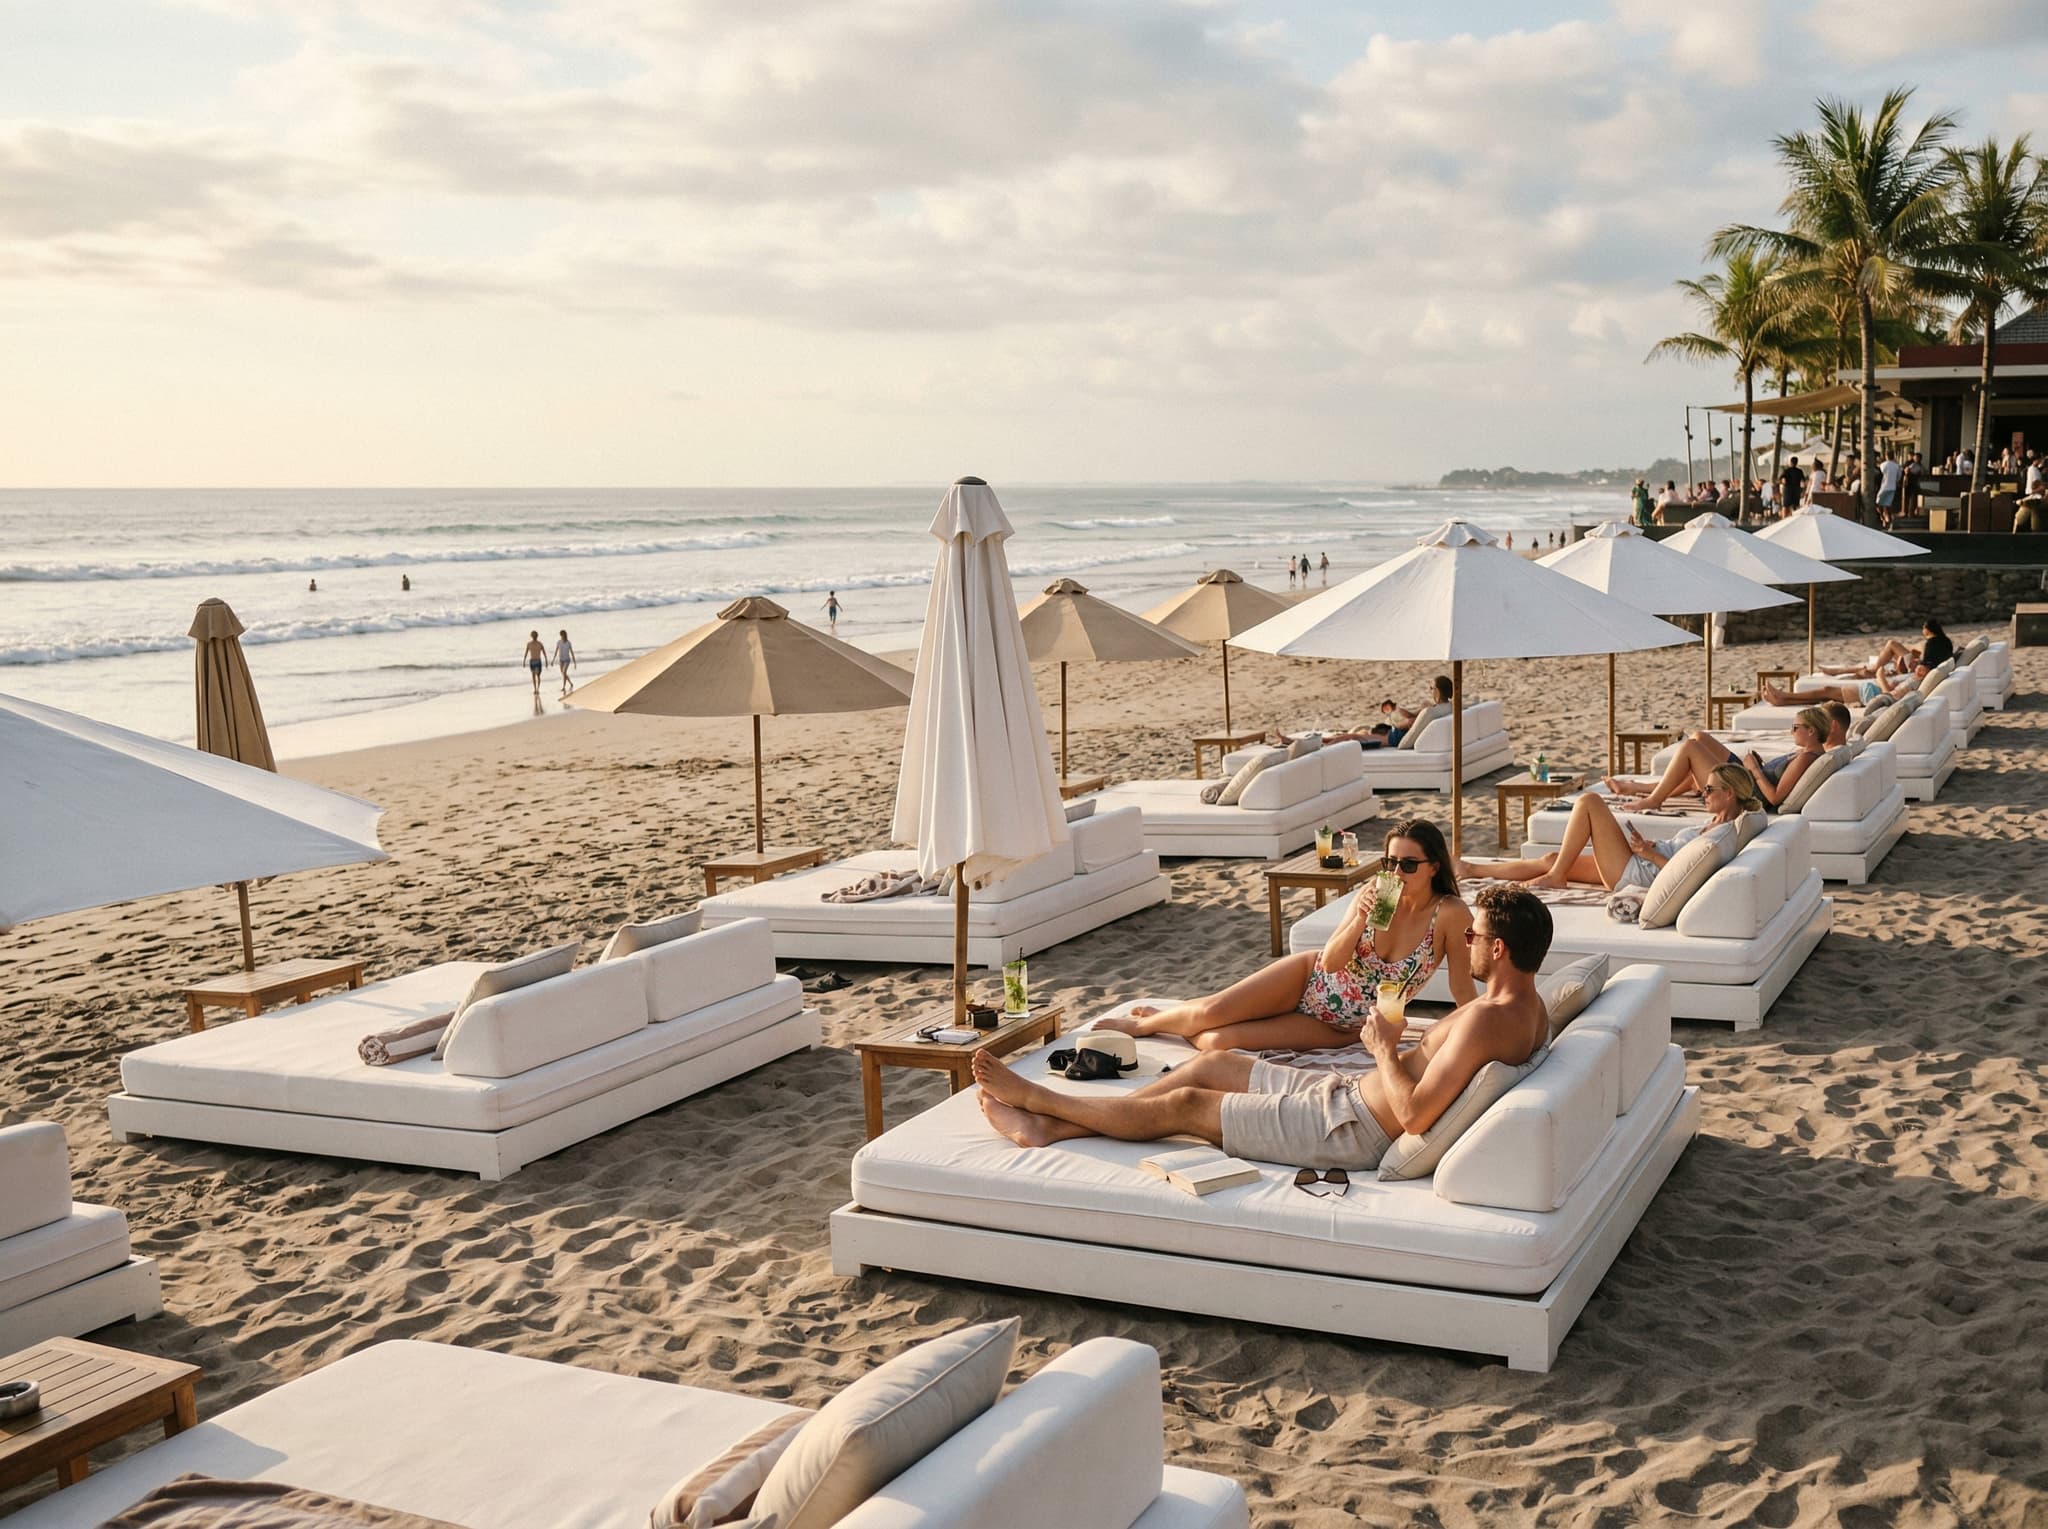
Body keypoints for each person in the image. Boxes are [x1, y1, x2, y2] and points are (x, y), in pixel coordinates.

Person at [972, 885, 1551, 1170]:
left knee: (1190, 1104)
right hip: (1344, 1099)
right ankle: (1059, 1127)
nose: (1466, 941)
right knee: (1212, 1063)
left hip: (1349, 1130)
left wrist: (1382, 1049)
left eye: (1474, 936)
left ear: (1498, 948)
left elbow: (1415, 1116)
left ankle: (1040, 1105)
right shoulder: (1534, 1010)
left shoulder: (1483, 1020)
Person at [1097, 822, 1476, 1054]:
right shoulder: (1376, 894)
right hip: (1307, 978)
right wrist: (1360, 919)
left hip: (1343, 1027)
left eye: (1408, 864)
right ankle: (1146, 1026)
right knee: (1210, 1013)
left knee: (1215, 1041)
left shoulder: (1450, 914)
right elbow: (1330, 961)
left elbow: (1462, 989)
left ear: (1434, 868)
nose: (1396, 871)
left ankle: (1174, 1020)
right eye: (1390, 862)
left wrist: (1474, 1034)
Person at [1459, 764, 1760, 892]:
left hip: (1638, 873)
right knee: (1553, 857)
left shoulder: (1724, 836)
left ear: (1730, 793)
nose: (1702, 794)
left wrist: (1648, 854)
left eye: (1709, 790)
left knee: (1589, 802)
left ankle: (1555, 878)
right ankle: (1473, 870)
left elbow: (1689, 876)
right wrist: (1651, 848)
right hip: (1642, 863)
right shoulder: (1718, 824)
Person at [1607, 709, 1827, 811]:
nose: (1791, 731)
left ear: (1811, 731)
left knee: (1690, 748)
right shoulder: (1807, 753)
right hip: (1747, 776)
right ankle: (1639, 787)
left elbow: (1775, 797)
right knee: (1699, 737)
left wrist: (1755, 770)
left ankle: (1653, 798)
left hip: (1747, 789)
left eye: (1795, 728)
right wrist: (1757, 767)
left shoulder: (1807, 758)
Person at [1876, 449, 1903, 526]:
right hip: (1892, 487)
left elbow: (1881, 473)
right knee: (1888, 504)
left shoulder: (1883, 465)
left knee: (1878, 503)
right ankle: (1889, 520)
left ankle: (1883, 518)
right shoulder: (1897, 466)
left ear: (1886, 456)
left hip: (1884, 486)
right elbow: (1899, 477)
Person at [522, 630, 547, 698]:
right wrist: (524, 661)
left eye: (534, 635)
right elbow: (526, 652)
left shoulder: (540, 643)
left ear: (536, 636)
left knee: (538, 676)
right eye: (533, 635)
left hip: (538, 661)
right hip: (532, 661)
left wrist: (546, 660)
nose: (534, 636)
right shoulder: (529, 644)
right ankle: (535, 689)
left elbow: (544, 652)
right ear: (531, 636)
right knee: (533, 675)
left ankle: (537, 689)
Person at [554, 629, 577, 695]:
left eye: (562, 635)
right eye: (561, 635)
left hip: (567, 660)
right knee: (563, 673)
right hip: (561, 660)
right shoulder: (559, 642)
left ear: (565, 635)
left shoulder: (568, 643)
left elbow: (572, 652)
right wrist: (553, 660)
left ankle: (564, 687)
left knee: (564, 672)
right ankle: (570, 683)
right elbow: (556, 651)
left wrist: (575, 662)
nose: (561, 636)